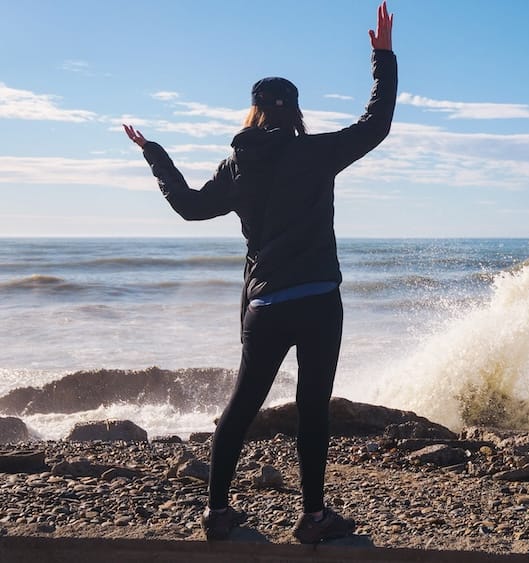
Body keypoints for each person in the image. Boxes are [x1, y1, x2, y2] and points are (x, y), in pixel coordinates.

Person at [123, 1, 396, 543]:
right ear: (294, 112)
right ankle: (314, 518)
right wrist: (382, 57)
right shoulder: (316, 152)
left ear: (253, 113)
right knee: (312, 408)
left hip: (265, 306)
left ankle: (217, 513)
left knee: (242, 406)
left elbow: (189, 207)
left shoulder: (236, 166)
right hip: (319, 300)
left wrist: (154, 153)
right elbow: (376, 122)